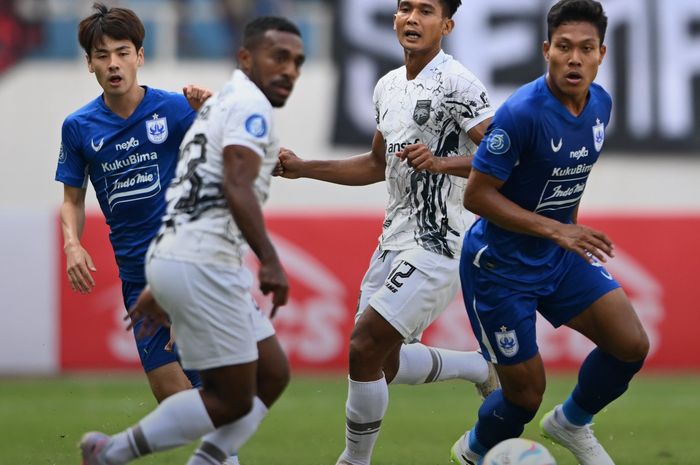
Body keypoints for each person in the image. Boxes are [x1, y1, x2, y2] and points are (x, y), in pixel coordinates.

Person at [275, 1, 498, 464]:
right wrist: (303, 168)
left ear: (447, 25)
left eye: (426, 10)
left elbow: (503, 156)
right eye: (404, 8)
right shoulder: (387, 86)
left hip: (440, 242)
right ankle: (478, 366)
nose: (412, 18)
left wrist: (442, 162)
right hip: (393, 240)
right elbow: (377, 164)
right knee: (383, 364)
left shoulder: (458, 83)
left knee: (362, 348)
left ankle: (354, 461)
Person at [78, 15, 305, 465]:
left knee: (273, 373)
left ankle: (199, 459)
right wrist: (271, 261)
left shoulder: (216, 107)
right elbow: (237, 186)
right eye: (278, 58)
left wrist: (164, 272)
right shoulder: (246, 108)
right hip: (204, 262)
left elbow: (182, 190)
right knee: (231, 397)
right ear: (246, 58)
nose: (289, 71)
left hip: (186, 257)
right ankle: (111, 453)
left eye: (298, 62)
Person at [449, 1, 649, 465]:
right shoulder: (521, 112)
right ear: (546, 50)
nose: (574, 59)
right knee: (524, 396)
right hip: (499, 266)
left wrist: (566, 232)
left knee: (630, 345)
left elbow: (567, 180)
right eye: (563, 48)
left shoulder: (601, 104)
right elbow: (476, 196)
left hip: (558, 257)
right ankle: (474, 452)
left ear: (601, 53)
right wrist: (557, 230)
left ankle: (572, 422)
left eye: (585, 49)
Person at [56, 2, 210, 402]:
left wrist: (213, 107)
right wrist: (72, 243)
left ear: (139, 56)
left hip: (183, 265)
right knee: (176, 400)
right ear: (89, 63)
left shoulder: (175, 109)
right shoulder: (78, 127)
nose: (114, 63)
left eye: (123, 52)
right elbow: (72, 199)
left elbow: (231, 154)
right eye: (102, 55)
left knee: (209, 397)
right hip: (135, 278)